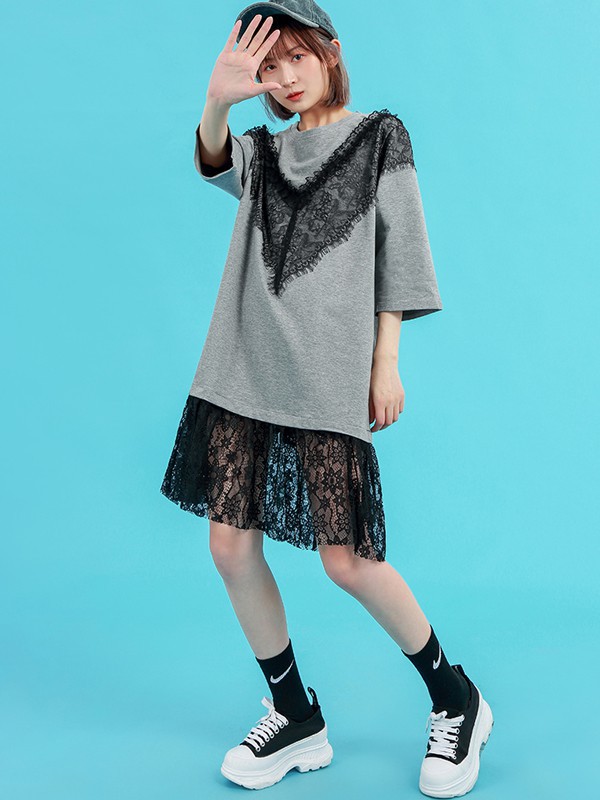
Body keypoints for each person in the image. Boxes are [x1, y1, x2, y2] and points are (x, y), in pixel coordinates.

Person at [160, 0, 494, 794]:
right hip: (244, 363)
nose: (284, 78)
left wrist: (387, 361)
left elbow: (401, 250)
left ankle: (456, 697)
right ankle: (295, 715)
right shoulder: (265, 152)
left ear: (331, 53)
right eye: (269, 67)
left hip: (327, 370)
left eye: (296, 58)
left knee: (347, 561)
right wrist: (216, 99)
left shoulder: (380, 137)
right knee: (229, 547)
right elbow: (213, 159)